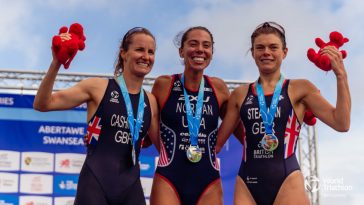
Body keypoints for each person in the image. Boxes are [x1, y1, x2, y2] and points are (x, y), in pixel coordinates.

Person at [216, 22, 351, 205]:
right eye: (260, 47)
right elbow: (216, 145)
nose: (266, 52)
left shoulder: (301, 88)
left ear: (284, 52)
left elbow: (341, 123)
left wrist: (341, 76)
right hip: (247, 184)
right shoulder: (240, 94)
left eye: (273, 47)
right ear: (253, 52)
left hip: (287, 182)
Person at [33, 27, 159, 205]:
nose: (146, 56)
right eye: (139, 49)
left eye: (151, 52)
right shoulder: (97, 87)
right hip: (95, 184)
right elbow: (42, 104)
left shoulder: (151, 101)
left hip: (131, 188)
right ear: (123, 53)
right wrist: (56, 63)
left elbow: (163, 147)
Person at [150, 26, 231, 205]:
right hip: (169, 178)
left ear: (211, 52)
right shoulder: (164, 85)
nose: (200, 50)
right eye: (193, 44)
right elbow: (144, 128)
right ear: (181, 51)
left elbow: (242, 129)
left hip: (208, 180)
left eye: (206, 45)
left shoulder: (219, 88)